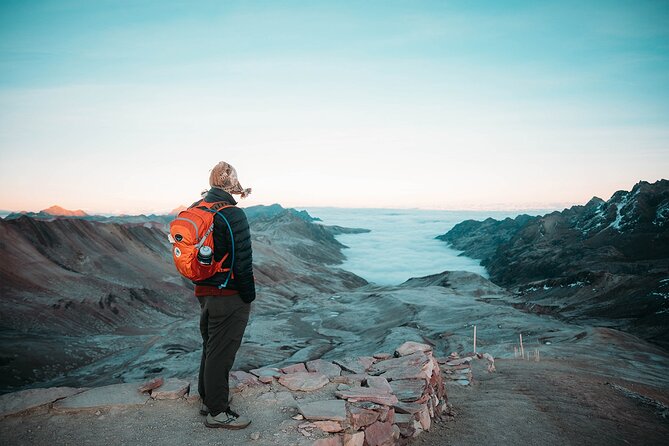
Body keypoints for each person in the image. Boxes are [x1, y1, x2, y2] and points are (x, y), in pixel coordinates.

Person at [194, 161, 256, 429]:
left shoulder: (199, 208)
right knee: (222, 352)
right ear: (233, 186)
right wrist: (248, 296)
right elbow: (242, 261)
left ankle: (208, 399)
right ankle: (218, 412)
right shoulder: (232, 214)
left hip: (205, 291)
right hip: (229, 294)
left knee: (211, 345)